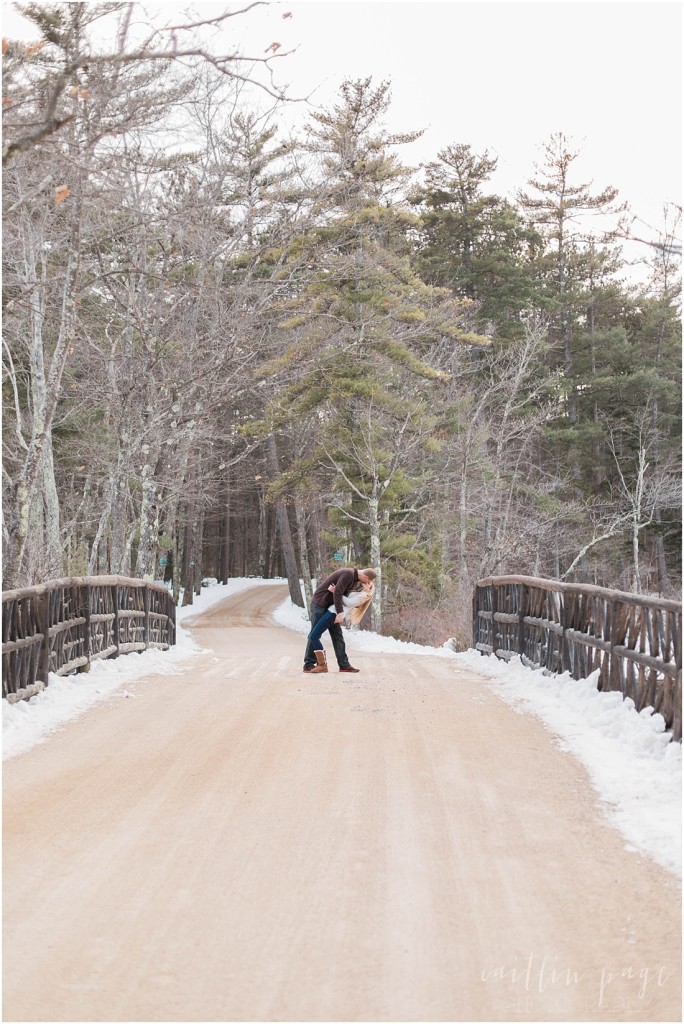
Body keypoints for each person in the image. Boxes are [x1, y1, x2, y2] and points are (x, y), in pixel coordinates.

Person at [303, 566, 376, 673]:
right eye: (369, 581)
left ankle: (344, 664)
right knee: (314, 634)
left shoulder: (355, 582)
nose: (369, 583)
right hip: (320, 604)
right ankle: (309, 663)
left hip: (332, 609)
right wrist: (341, 613)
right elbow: (337, 593)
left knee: (337, 636)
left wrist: (340, 611)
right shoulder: (348, 574)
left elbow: (343, 596)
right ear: (365, 577)